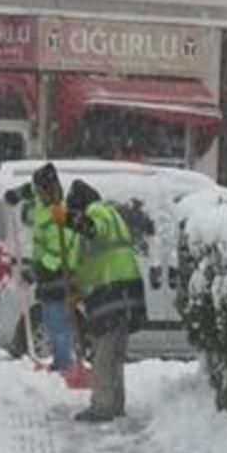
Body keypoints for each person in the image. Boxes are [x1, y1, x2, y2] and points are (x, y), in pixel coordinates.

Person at [63, 180, 146, 425]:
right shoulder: (114, 215)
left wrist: (68, 218)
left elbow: (92, 229)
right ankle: (115, 403)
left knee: (103, 354)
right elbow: (89, 258)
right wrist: (76, 288)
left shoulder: (97, 211)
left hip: (110, 290)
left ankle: (102, 407)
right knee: (115, 353)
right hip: (125, 289)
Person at [3, 162, 89, 388]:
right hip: (46, 271)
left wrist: (37, 271)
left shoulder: (59, 215)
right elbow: (30, 189)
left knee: (58, 319)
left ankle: (67, 366)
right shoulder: (42, 199)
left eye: (41, 191)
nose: (37, 194)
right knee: (51, 320)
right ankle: (61, 362)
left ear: (50, 190)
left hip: (59, 272)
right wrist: (17, 195)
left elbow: (60, 253)